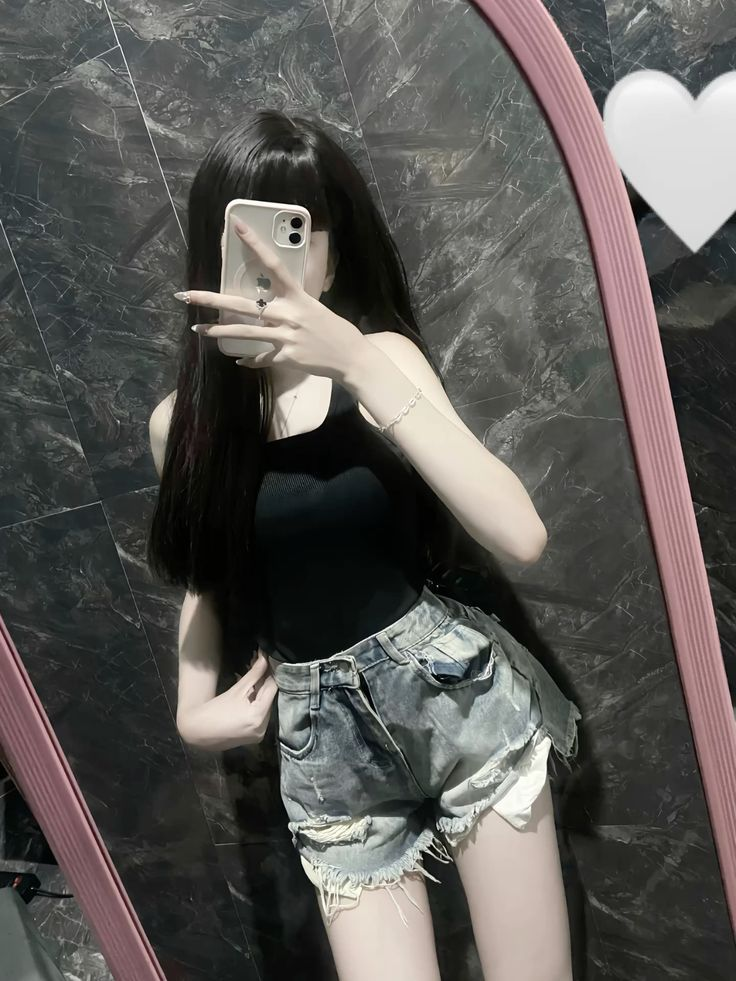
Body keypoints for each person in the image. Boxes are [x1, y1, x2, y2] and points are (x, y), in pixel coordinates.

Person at [147, 108, 582, 981]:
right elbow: (207, 573)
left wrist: (360, 363)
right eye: (247, 240)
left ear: (334, 252)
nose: (275, 266)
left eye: (298, 234)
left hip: (455, 699)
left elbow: (521, 533)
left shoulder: (381, 360)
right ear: (211, 257)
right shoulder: (183, 426)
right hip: (324, 746)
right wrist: (193, 710)